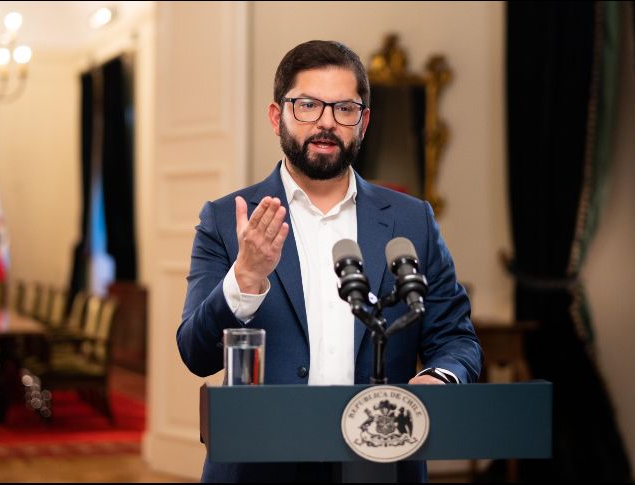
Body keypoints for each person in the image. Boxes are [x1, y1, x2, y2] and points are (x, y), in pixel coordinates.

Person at [177, 40, 483, 483]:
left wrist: (440, 378)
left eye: (344, 108)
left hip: (380, 460)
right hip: (258, 466)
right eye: (307, 106)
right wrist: (243, 279)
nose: (326, 122)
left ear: (364, 122)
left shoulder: (411, 220)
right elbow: (195, 353)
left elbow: (456, 338)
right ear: (275, 116)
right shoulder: (227, 219)